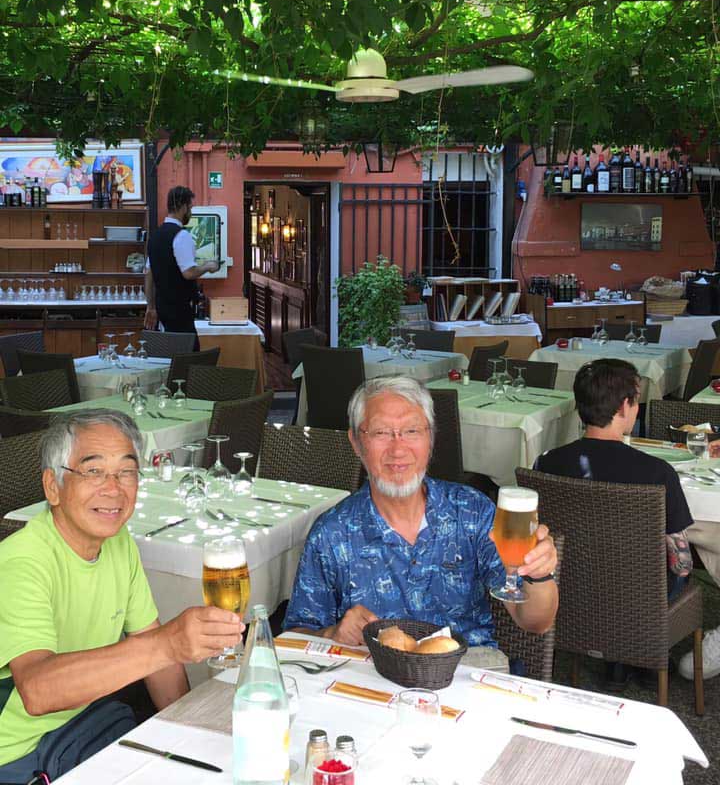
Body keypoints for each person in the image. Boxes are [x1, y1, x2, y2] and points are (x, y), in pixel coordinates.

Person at [0, 410, 243, 783]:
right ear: (53, 486)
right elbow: (37, 690)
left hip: (85, 727)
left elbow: (153, 647)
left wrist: (189, 731)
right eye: (93, 471)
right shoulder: (21, 561)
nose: (113, 489)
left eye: (127, 471)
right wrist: (168, 644)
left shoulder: (118, 542)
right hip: (18, 754)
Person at [284, 376, 558, 648]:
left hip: (466, 667)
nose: (398, 448)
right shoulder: (331, 533)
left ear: (431, 438)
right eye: (381, 433)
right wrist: (331, 635)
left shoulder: (471, 511)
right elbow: (294, 638)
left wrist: (539, 575)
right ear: (356, 443)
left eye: (412, 431)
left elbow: (536, 622)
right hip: (370, 671)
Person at [534, 358, 693, 685]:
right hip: (638, 601)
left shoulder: (546, 463)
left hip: (569, 587)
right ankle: (638, 652)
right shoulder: (658, 472)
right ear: (624, 406)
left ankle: (615, 658)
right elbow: (681, 565)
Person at [144, 186, 219, 349]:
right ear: (183, 207)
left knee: (165, 356)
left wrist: (151, 307)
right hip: (180, 311)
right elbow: (189, 273)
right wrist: (208, 266)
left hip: (161, 310)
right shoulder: (181, 235)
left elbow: (148, 274)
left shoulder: (155, 237)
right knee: (188, 356)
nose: (190, 212)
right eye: (190, 208)